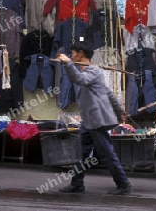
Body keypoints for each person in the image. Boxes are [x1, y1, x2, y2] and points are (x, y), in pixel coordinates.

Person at [56, 41, 132, 195]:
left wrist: (68, 63)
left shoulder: (93, 72)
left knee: (107, 153)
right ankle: (77, 184)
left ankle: (123, 184)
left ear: (80, 54)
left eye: (73, 53)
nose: (71, 55)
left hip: (97, 120)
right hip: (89, 121)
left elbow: (79, 80)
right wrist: (120, 111)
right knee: (81, 153)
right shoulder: (91, 72)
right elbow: (108, 93)